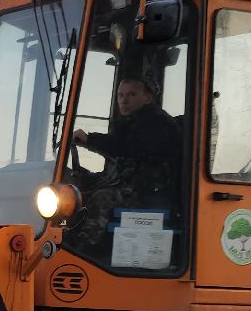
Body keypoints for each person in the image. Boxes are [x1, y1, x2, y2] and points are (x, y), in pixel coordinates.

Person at [66, 76, 183, 257]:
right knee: (78, 192)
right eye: (120, 95)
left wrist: (90, 139)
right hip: (138, 184)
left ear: (147, 98)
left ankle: (83, 252)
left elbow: (125, 147)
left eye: (132, 94)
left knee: (101, 198)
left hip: (152, 191)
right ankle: (68, 240)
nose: (124, 100)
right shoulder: (133, 122)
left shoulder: (156, 123)